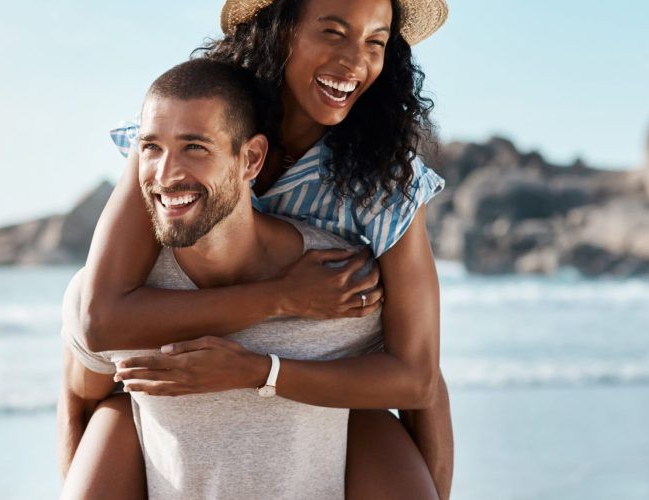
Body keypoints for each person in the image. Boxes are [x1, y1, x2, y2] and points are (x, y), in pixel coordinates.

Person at [59, 0, 453, 497]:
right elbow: (100, 318)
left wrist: (260, 371)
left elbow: (418, 378)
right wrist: (282, 298)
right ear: (280, 30)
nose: (355, 62)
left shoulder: (381, 180)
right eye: (333, 32)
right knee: (107, 398)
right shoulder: (192, 128)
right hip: (190, 394)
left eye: (375, 42)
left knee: (423, 385)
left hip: (336, 369)